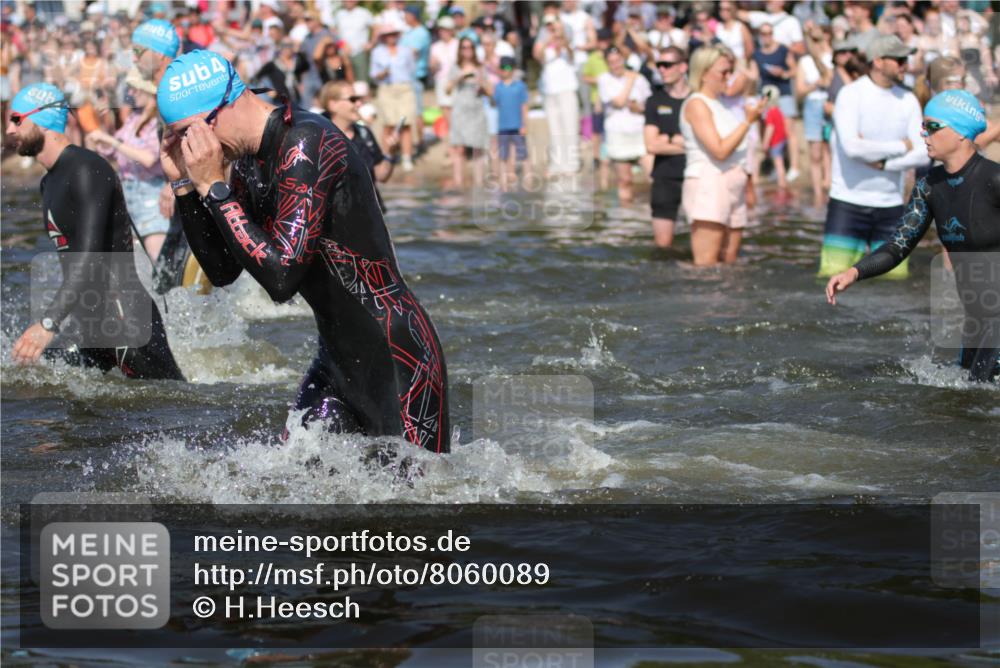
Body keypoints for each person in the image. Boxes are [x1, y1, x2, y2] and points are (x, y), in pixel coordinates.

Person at [157, 50, 449, 451]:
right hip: (335, 363)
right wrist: (186, 187)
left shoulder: (306, 142)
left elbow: (281, 278)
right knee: (290, 488)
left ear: (223, 108)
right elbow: (223, 271)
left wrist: (213, 188)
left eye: (189, 132)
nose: (189, 147)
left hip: (397, 360)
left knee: (420, 504)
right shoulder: (246, 162)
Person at [6, 83, 184, 380]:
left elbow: (90, 257)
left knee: (175, 406)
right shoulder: (49, 182)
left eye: (17, 119)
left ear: (41, 119)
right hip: (92, 326)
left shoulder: (88, 169)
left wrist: (49, 323)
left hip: (127, 322)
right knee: (31, 382)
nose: (10, 130)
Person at [826, 90, 1000, 383]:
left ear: (960, 132)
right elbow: (899, 245)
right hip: (976, 324)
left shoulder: (994, 180)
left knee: (977, 402)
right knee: (965, 404)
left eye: (932, 126)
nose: (923, 133)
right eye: (923, 125)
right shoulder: (929, 186)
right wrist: (855, 272)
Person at [818, 35, 928, 279]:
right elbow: (852, 148)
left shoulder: (908, 99)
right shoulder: (850, 94)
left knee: (896, 282)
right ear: (878, 61)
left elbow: (923, 152)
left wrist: (885, 164)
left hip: (891, 204)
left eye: (906, 59)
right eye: (899, 60)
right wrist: (901, 145)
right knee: (831, 278)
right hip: (847, 202)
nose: (905, 65)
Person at [680, 46, 765, 266]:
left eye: (731, 71)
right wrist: (748, 121)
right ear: (704, 73)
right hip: (709, 181)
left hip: (732, 182)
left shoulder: (720, 105)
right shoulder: (697, 104)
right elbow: (719, 150)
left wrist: (748, 186)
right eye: (723, 72)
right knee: (707, 265)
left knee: (729, 262)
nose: (729, 77)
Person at [89, 68, 170, 262]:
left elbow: (149, 158)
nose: (130, 94)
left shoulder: (159, 121)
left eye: (134, 89)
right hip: (127, 195)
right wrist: (104, 127)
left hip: (151, 195)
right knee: (135, 263)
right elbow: (112, 151)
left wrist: (112, 141)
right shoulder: (134, 118)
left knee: (156, 260)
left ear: (149, 90)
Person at [320, 81, 399, 212]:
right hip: (335, 218)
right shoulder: (319, 137)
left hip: (369, 214)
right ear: (332, 104)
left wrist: (390, 153)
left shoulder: (364, 133)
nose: (359, 104)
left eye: (359, 99)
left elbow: (381, 176)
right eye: (353, 99)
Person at [643, 46, 689, 249]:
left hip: (695, 176)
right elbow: (651, 145)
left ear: (683, 67)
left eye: (667, 65)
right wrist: (680, 141)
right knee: (662, 245)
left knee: (702, 244)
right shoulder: (654, 101)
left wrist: (667, 140)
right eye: (659, 65)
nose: (662, 69)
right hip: (665, 177)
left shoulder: (696, 99)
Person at [598, 46, 652, 203]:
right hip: (618, 132)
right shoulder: (604, 79)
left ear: (624, 59)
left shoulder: (640, 79)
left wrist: (637, 107)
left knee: (653, 175)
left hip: (639, 131)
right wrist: (630, 80)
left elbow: (647, 104)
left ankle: (654, 211)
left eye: (618, 60)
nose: (616, 65)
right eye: (611, 62)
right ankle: (626, 216)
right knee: (625, 179)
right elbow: (619, 102)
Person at [533, 14, 580, 176]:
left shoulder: (567, 43)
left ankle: (572, 164)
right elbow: (537, 55)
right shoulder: (544, 45)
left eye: (553, 25)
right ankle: (557, 164)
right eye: (548, 26)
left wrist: (561, 38)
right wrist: (548, 39)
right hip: (550, 90)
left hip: (566, 89)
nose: (551, 29)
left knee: (570, 127)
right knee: (554, 129)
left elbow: (572, 55)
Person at [753, 22, 800, 182]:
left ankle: (794, 167)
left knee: (788, 131)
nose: (766, 36)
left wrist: (783, 73)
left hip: (784, 93)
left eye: (769, 33)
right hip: (766, 97)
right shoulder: (757, 54)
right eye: (763, 33)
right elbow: (753, 75)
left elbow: (794, 70)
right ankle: (774, 165)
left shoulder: (783, 50)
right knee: (767, 131)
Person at [371, 18, 417, 172]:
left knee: (406, 123)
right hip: (386, 88)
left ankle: (406, 157)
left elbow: (411, 69)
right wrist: (381, 74)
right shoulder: (377, 52)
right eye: (388, 35)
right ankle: (386, 156)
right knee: (389, 124)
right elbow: (373, 74)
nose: (391, 37)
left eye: (393, 34)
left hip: (404, 87)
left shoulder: (406, 50)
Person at [796, 24, 833, 207]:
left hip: (828, 104)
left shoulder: (830, 57)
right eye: (815, 40)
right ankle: (818, 191)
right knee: (815, 152)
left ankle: (829, 185)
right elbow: (800, 89)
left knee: (829, 147)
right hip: (812, 105)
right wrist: (816, 84)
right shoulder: (804, 62)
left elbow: (832, 79)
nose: (817, 44)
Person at [446, 37, 491, 188]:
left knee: (478, 147)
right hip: (460, 109)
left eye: (470, 47)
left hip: (476, 109)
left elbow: (489, 92)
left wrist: (480, 82)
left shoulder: (480, 67)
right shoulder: (456, 67)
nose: (467, 50)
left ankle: (479, 182)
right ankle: (458, 182)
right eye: (464, 47)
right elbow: (447, 89)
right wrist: (461, 76)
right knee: (459, 147)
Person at [492, 56, 530, 192]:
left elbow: (524, 106)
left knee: (523, 155)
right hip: (503, 126)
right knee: (503, 156)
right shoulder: (498, 87)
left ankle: (528, 181)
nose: (504, 71)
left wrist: (524, 125)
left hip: (517, 125)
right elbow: (494, 102)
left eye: (507, 68)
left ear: (513, 69)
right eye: (502, 68)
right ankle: (504, 184)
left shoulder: (520, 86)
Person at [335, 0, 373, 83]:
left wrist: (371, 43)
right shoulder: (339, 14)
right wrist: (342, 45)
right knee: (345, 80)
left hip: (359, 52)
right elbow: (335, 33)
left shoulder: (364, 13)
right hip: (343, 53)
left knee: (362, 81)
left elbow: (375, 27)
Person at [761, 88, 789, 189]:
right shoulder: (779, 111)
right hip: (782, 139)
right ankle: (782, 180)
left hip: (776, 141)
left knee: (778, 162)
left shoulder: (770, 112)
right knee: (779, 161)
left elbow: (770, 128)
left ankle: (782, 183)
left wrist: (765, 142)